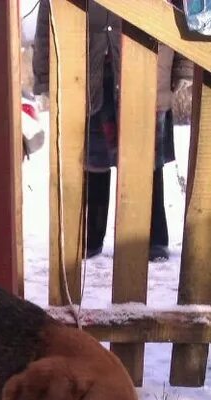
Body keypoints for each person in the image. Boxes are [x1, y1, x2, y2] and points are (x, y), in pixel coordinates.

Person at [33, 0, 193, 262]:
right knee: (91, 161)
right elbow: (46, 16)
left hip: (147, 67)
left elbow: (180, 8)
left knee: (147, 163)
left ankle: (152, 238)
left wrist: (184, 65)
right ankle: (90, 237)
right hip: (89, 72)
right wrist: (44, 76)